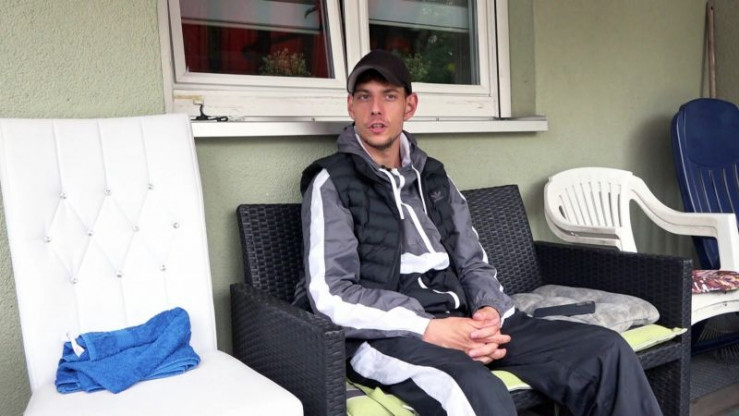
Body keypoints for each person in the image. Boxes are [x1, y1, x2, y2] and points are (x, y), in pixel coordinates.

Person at [295, 50, 663, 416]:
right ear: (351, 106)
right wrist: (429, 329)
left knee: (605, 352)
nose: (376, 109)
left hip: (465, 317)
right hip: (387, 336)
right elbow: (330, 295)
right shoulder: (332, 183)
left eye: (389, 96)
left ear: (409, 106)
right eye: (364, 97)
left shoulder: (435, 179)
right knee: (475, 392)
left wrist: (488, 312)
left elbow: (473, 262)